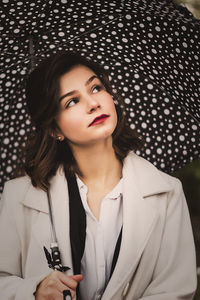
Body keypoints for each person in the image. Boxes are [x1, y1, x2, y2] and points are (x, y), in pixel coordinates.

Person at [0, 51, 197, 300]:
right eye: (71, 101)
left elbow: (176, 291)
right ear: (53, 128)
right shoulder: (19, 197)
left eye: (95, 87)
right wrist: (34, 290)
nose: (93, 103)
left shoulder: (168, 192)